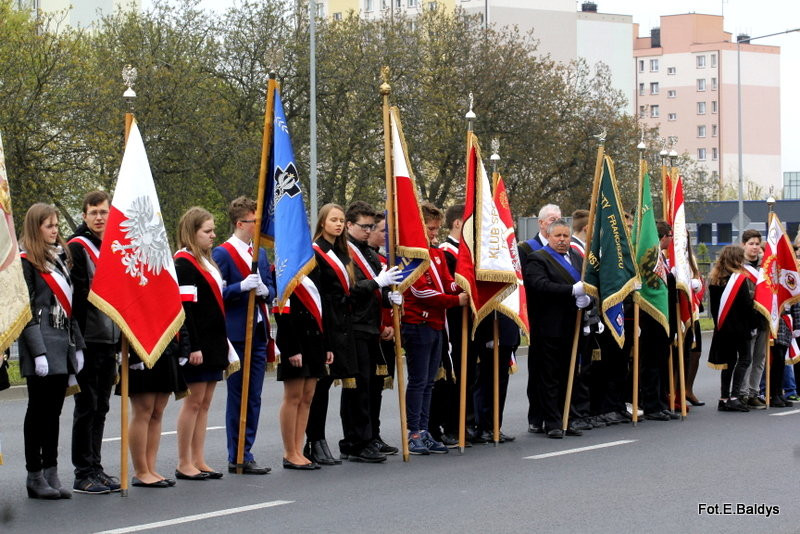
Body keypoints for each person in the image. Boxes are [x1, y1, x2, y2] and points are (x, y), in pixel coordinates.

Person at [18, 203, 85, 499]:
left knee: (55, 412)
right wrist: (38, 351)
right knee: (38, 411)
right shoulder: (26, 261)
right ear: (36, 228)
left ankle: (51, 471)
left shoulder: (60, 259)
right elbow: (26, 311)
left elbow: (70, 309)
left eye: (56, 225)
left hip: (63, 341)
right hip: (41, 344)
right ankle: (34, 475)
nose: (55, 230)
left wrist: (78, 346)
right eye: (48, 225)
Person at [211, 196, 274, 475]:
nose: (258, 225)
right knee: (238, 395)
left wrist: (264, 291)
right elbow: (216, 294)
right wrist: (239, 287)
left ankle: (247, 450)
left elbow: (271, 288)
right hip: (236, 334)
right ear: (241, 222)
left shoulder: (259, 252)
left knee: (255, 396)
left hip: (259, 330)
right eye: (254, 221)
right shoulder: (222, 253)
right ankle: (236, 454)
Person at [66, 191, 122, 494]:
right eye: (93, 213)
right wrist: (76, 343)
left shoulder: (111, 247)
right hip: (88, 339)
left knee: (101, 407)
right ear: (84, 216)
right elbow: (76, 300)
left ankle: (96, 468)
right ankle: (82, 472)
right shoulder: (78, 247)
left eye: (103, 212)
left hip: (108, 339)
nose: (99, 217)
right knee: (86, 407)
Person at [174, 207, 235, 480]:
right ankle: (184, 461)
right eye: (207, 231)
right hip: (199, 345)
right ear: (192, 232)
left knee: (206, 403)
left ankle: (199, 458)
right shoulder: (184, 263)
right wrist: (193, 346)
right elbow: (186, 311)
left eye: (213, 230)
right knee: (193, 403)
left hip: (215, 342)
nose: (213, 235)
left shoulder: (208, 261)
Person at [402, 202, 467, 454]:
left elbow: (448, 283)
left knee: (429, 382)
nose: (434, 234)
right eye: (430, 228)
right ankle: (414, 431)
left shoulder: (437, 254)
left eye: (436, 229)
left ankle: (425, 429)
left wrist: (464, 287)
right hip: (418, 323)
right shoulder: (410, 255)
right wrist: (454, 301)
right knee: (418, 381)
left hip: (437, 324)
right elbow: (420, 290)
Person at [339, 201, 402, 462]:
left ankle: (368, 437)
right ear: (350, 225)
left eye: (371, 226)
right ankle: (355, 441)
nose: (368, 231)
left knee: (369, 387)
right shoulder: (345, 254)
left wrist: (389, 298)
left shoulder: (370, 253)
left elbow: (379, 288)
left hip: (371, 325)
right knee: (357, 388)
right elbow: (350, 291)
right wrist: (377, 283)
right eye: (364, 226)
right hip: (354, 326)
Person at [523, 218, 590, 438]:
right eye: (557, 236)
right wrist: (571, 291)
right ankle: (551, 421)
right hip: (548, 327)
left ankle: (565, 419)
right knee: (548, 376)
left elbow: (587, 284)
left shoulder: (578, 258)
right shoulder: (537, 259)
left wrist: (588, 299)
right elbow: (539, 286)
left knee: (568, 373)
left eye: (565, 236)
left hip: (573, 325)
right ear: (549, 237)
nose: (562, 240)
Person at [304, 203, 358, 466]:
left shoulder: (340, 252)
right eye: (333, 219)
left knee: (325, 387)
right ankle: (314, 440)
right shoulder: (316, 252)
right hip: (326, 325)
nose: (338, 224)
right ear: (322, 222)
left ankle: (318, 440)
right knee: (319, 388)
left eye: (341, 220)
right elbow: (319, 296)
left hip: (342, 326)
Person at [275, 264, 331, 470]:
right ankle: (289, 452)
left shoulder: (313, 269)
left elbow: (321, 308)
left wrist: (327, 345)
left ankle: (298, 449)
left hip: (314, 342)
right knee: (294, 397)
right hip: (295, 342)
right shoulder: (282, 270)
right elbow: (282, 312)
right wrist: (291, 348)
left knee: (307, 397)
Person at [430, 204, 477, 446]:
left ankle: (464, 423)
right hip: (452, 322)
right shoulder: (447, 252)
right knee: (451, 377)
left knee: (468, 375)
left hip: (470, 321)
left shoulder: (466, 251)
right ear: (458, 223)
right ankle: (450, 425)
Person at [122, 327, 189, 488]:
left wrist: (184, 346)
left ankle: (150, 468)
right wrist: (134, 352)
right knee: (143, 411)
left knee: (157, 412)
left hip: (167, 346)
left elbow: (178, 314)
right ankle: (141, 471)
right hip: (143, 346)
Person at [521, 203, 560, 433]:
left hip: (560, 317)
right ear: (541, 223)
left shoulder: (565, 248)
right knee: (538, 370)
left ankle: (555, 414)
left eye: (557, 218)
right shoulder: (527, 249)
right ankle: (536, 416)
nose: (554, 222)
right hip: (537, 316)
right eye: (550, 219)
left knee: (556, 372)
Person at [707, 245, 757, 412]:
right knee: (744, 359)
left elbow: (714, 309)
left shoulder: (714, 279)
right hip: (739, 328)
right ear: (736, 259)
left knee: (728, 363)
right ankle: (734, 396)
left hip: (722, 328)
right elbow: (746, 306)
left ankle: (724, 397)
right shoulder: (739, 280)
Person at [367, 212, 399, 452]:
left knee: (378, 389)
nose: (385, 235)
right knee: (365, 389)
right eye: (382, 230)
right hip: (372, 330)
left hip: (389, 331)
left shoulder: (382, 259)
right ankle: (364, 435)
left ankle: (374, 434)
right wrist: (381, 326)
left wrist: (394, 325)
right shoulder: (364, 260)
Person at [738, 229, 767, 409]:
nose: (755, 247)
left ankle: (754, 392)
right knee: (746, 357)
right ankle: (742, 392)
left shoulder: (765, 266)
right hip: (747, 318)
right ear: (744, 245)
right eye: (751, 244)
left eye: (757, 244)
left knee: (760, 357)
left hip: (763, 317)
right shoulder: (739, 266)